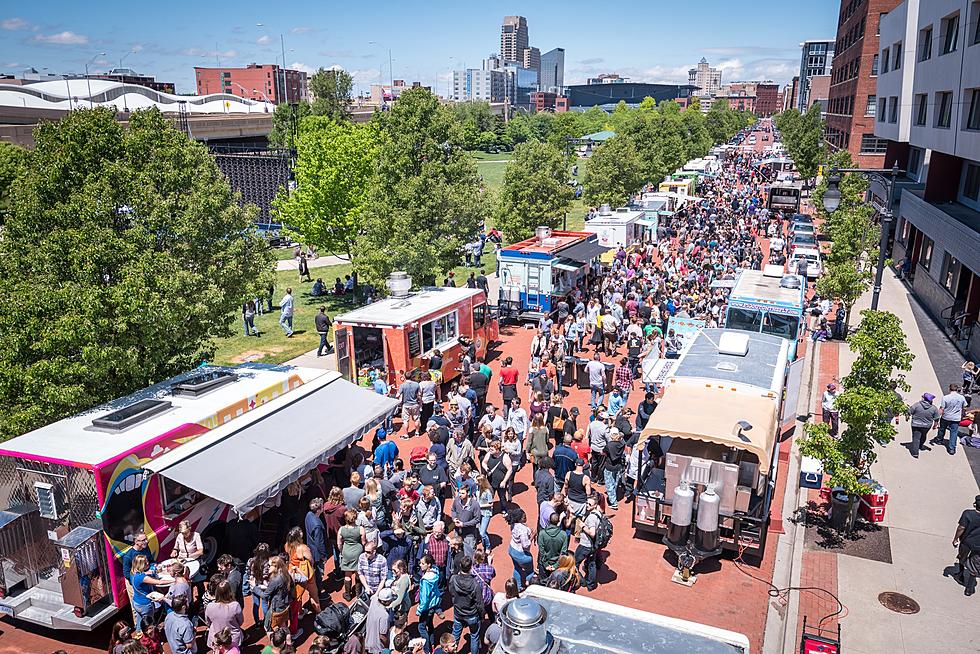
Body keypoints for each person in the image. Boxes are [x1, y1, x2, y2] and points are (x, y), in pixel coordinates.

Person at [448, 556, 483, 654]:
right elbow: (479, 603)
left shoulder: (453, 579)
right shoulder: (475, 584)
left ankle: (451, 651)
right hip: (472, 615)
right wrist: (481, 616)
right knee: (474, 636)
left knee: (455, 634)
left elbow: (451, 591)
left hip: (458, 612)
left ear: (460, 566)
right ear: (471, 567)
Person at [252, 556, 293, 636]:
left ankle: (274, 646)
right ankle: (288, 644)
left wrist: (254, 587)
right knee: (284, 626)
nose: (267, 567)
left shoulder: (275, 579)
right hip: (285, 604)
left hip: (277, 606)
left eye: (269, 565)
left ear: (276, 566)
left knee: (267, 627)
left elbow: (264, 595)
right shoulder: (285, 574)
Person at [129, 555, 168, 633]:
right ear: (141, 565)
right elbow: (159, 582)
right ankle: (150, 639)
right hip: (145, 604)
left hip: (136, 602)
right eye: (145, 562)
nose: (148, 563)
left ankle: (139, 633)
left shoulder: (133, 573)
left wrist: (149, 572)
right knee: (149, 623)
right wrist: (174, 580)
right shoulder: (142, 577)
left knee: (140, 620)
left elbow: (144, 575)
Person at [952, 495, 980, 596]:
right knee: (975, 565)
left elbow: (961, 528)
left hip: (966, 542)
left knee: (962, 557)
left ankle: (960, 574)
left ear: (975, 504)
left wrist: (956, 538)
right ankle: (969, 588)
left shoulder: (968, 514)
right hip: (979, 547)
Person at [204, 580, 244, 650]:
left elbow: (208, 622)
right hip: (232, 638)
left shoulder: (210, 606)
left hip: (216, 637)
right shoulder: (235, 605)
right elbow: (240, 622)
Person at [575, 495, 604, 592]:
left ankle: (582, 582)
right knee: (592, 563)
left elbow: (592, 533)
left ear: (595, 505)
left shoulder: (591, 517)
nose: (587, 505)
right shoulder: (599, 514)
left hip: (586, 545)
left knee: (574, 563)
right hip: (594, 545)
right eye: (587, 503)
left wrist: (583, 526)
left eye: (590, 504)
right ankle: (591, 585)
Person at [416, 554, 442, 654]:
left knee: (421, 627)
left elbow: (424, 598)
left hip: (427, 607)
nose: (420, 565)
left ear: (429, 565)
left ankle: (427, 651)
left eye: (423, 563)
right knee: (430, 624)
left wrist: (419, 610)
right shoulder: (435, 571)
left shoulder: (426, 580)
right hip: (434, 604)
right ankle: (432, 643)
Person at [338, 509, 366, 600]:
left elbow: (339, 543)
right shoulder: (360, 529)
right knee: (358, 573)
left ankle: (347, 594)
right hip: (358, 552)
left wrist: (342, 551)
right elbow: (364, 542)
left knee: (347, 574)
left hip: (347, 552)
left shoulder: (341, 529)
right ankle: (358, 594)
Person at [935, 384, 968, 454]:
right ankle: (952, 448)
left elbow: (942, 408)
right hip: (956, 418)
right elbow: (965, 407)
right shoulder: (961, 398)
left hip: (946, 417)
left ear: (949, 389)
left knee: (942, 429)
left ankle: (939, 440)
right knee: (954, 432)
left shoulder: (945, 398)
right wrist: (962, 415)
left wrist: (937, 417)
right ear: (957, 389)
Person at [363, 587, 396, 654]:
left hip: (367, 641)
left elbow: (374, 597)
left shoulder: (374, 600)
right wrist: (387, 645)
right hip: (377, 648)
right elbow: (382, 636)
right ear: (386, 601)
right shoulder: (384, 616)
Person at [507, 509, 534, 591]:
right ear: (519, 519)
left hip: (512, 550)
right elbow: (525, 545)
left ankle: (518, 587)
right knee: (530, 571)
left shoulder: (513, 524)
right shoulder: (523, 530)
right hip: (521, 554)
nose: (526, 518)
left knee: (517, 568)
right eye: (524, 517)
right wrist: (533, 535)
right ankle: (529, 586)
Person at [907, 392, 941, 458]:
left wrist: (907, 417)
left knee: (916, 438)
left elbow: (909, 412)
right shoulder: (934, 408)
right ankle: (920, 445)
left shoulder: (916, 405)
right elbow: (936, 418)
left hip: (916, 425)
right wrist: (935, 425)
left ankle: (915, 453)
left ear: (923, 398)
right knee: (923, 435)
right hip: (926, 426)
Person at [451, 484, 481, 556]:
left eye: (463, 493)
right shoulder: (457, 500)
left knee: (470, 554)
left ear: (468, 493)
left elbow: (477, 519)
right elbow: (453, 510)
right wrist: (454, 518)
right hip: (457, 532)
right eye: (460, 493)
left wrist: (463, 524)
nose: (460, 495)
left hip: (469, 534)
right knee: (456, 552)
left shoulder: (474, 504)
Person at [482, 440, 513, 508]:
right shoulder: (488, 454)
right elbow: (483, 462)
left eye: (492, 448)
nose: (490, 449)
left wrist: (504, 481)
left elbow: (510, 470)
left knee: (502, 497)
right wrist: (486, 468)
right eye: (490, 447)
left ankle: (504, 509)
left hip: (501, 483)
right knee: (489, 496)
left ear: (497, 449)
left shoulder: (505, 457)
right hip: (490, 482)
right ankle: (488, 509)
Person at [537, 511, 569, 578]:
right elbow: (563, 552)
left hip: (543, 564)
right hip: (557, 565)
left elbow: (541, 551)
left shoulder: (542, 533)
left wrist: (546, 565)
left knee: (543, 583)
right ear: (558, 522)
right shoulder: (563, 534)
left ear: (549, 520)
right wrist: (555, 566)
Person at [603, 428, 627, 510]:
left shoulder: (609, 445)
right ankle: (613, 498)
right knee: (615, 483)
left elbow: (603, 452)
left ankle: (613, 502)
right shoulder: (622, 443)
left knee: (610, 485)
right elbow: (622, 437)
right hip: (618, 466)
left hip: (610, 467)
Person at [397, 374, 422, 439]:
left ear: (405, 377)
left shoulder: (402, 385)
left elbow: (397, 395)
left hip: (406, 405)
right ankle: (417, 433)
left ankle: (406, 435)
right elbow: (419, 394)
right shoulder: (417, 384)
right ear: (412, 377)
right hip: (415, 405)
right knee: (416, 419)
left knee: (405, 420)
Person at [477, 475, 494, 551]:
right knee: (481, 530)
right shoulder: (478, 489)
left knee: (482, 533)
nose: (476, 483)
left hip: (486, 513)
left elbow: (491, 504)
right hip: (479, 513)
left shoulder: (488, 491)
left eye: (478, 481)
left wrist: (480, 505)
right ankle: (484, 543)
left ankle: (488, 546)